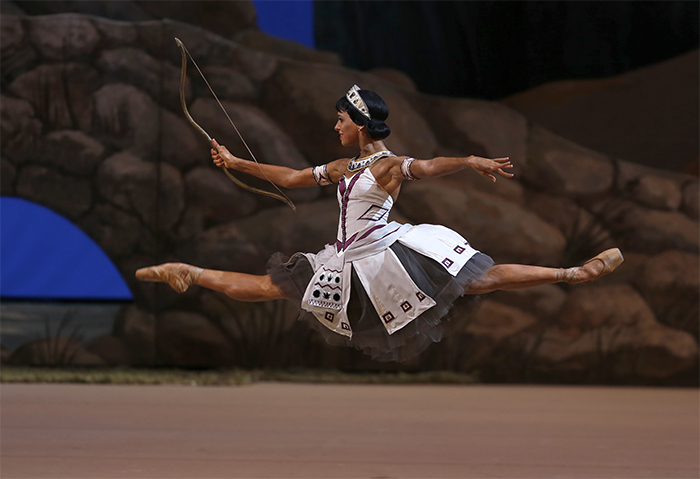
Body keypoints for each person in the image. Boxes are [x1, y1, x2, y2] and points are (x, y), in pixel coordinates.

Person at [136, 85, 623, 362]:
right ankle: (188, 271)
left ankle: (573, 274)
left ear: (360, 122)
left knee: (479, 279)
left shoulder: (388, 164)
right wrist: (237, 164)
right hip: (347, 260)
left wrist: (469, 158)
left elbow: (429, 167)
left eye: (341, 119)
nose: (336, 126)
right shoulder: (344, 168)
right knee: (270, 287)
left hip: (386, 254)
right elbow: (289, 176)